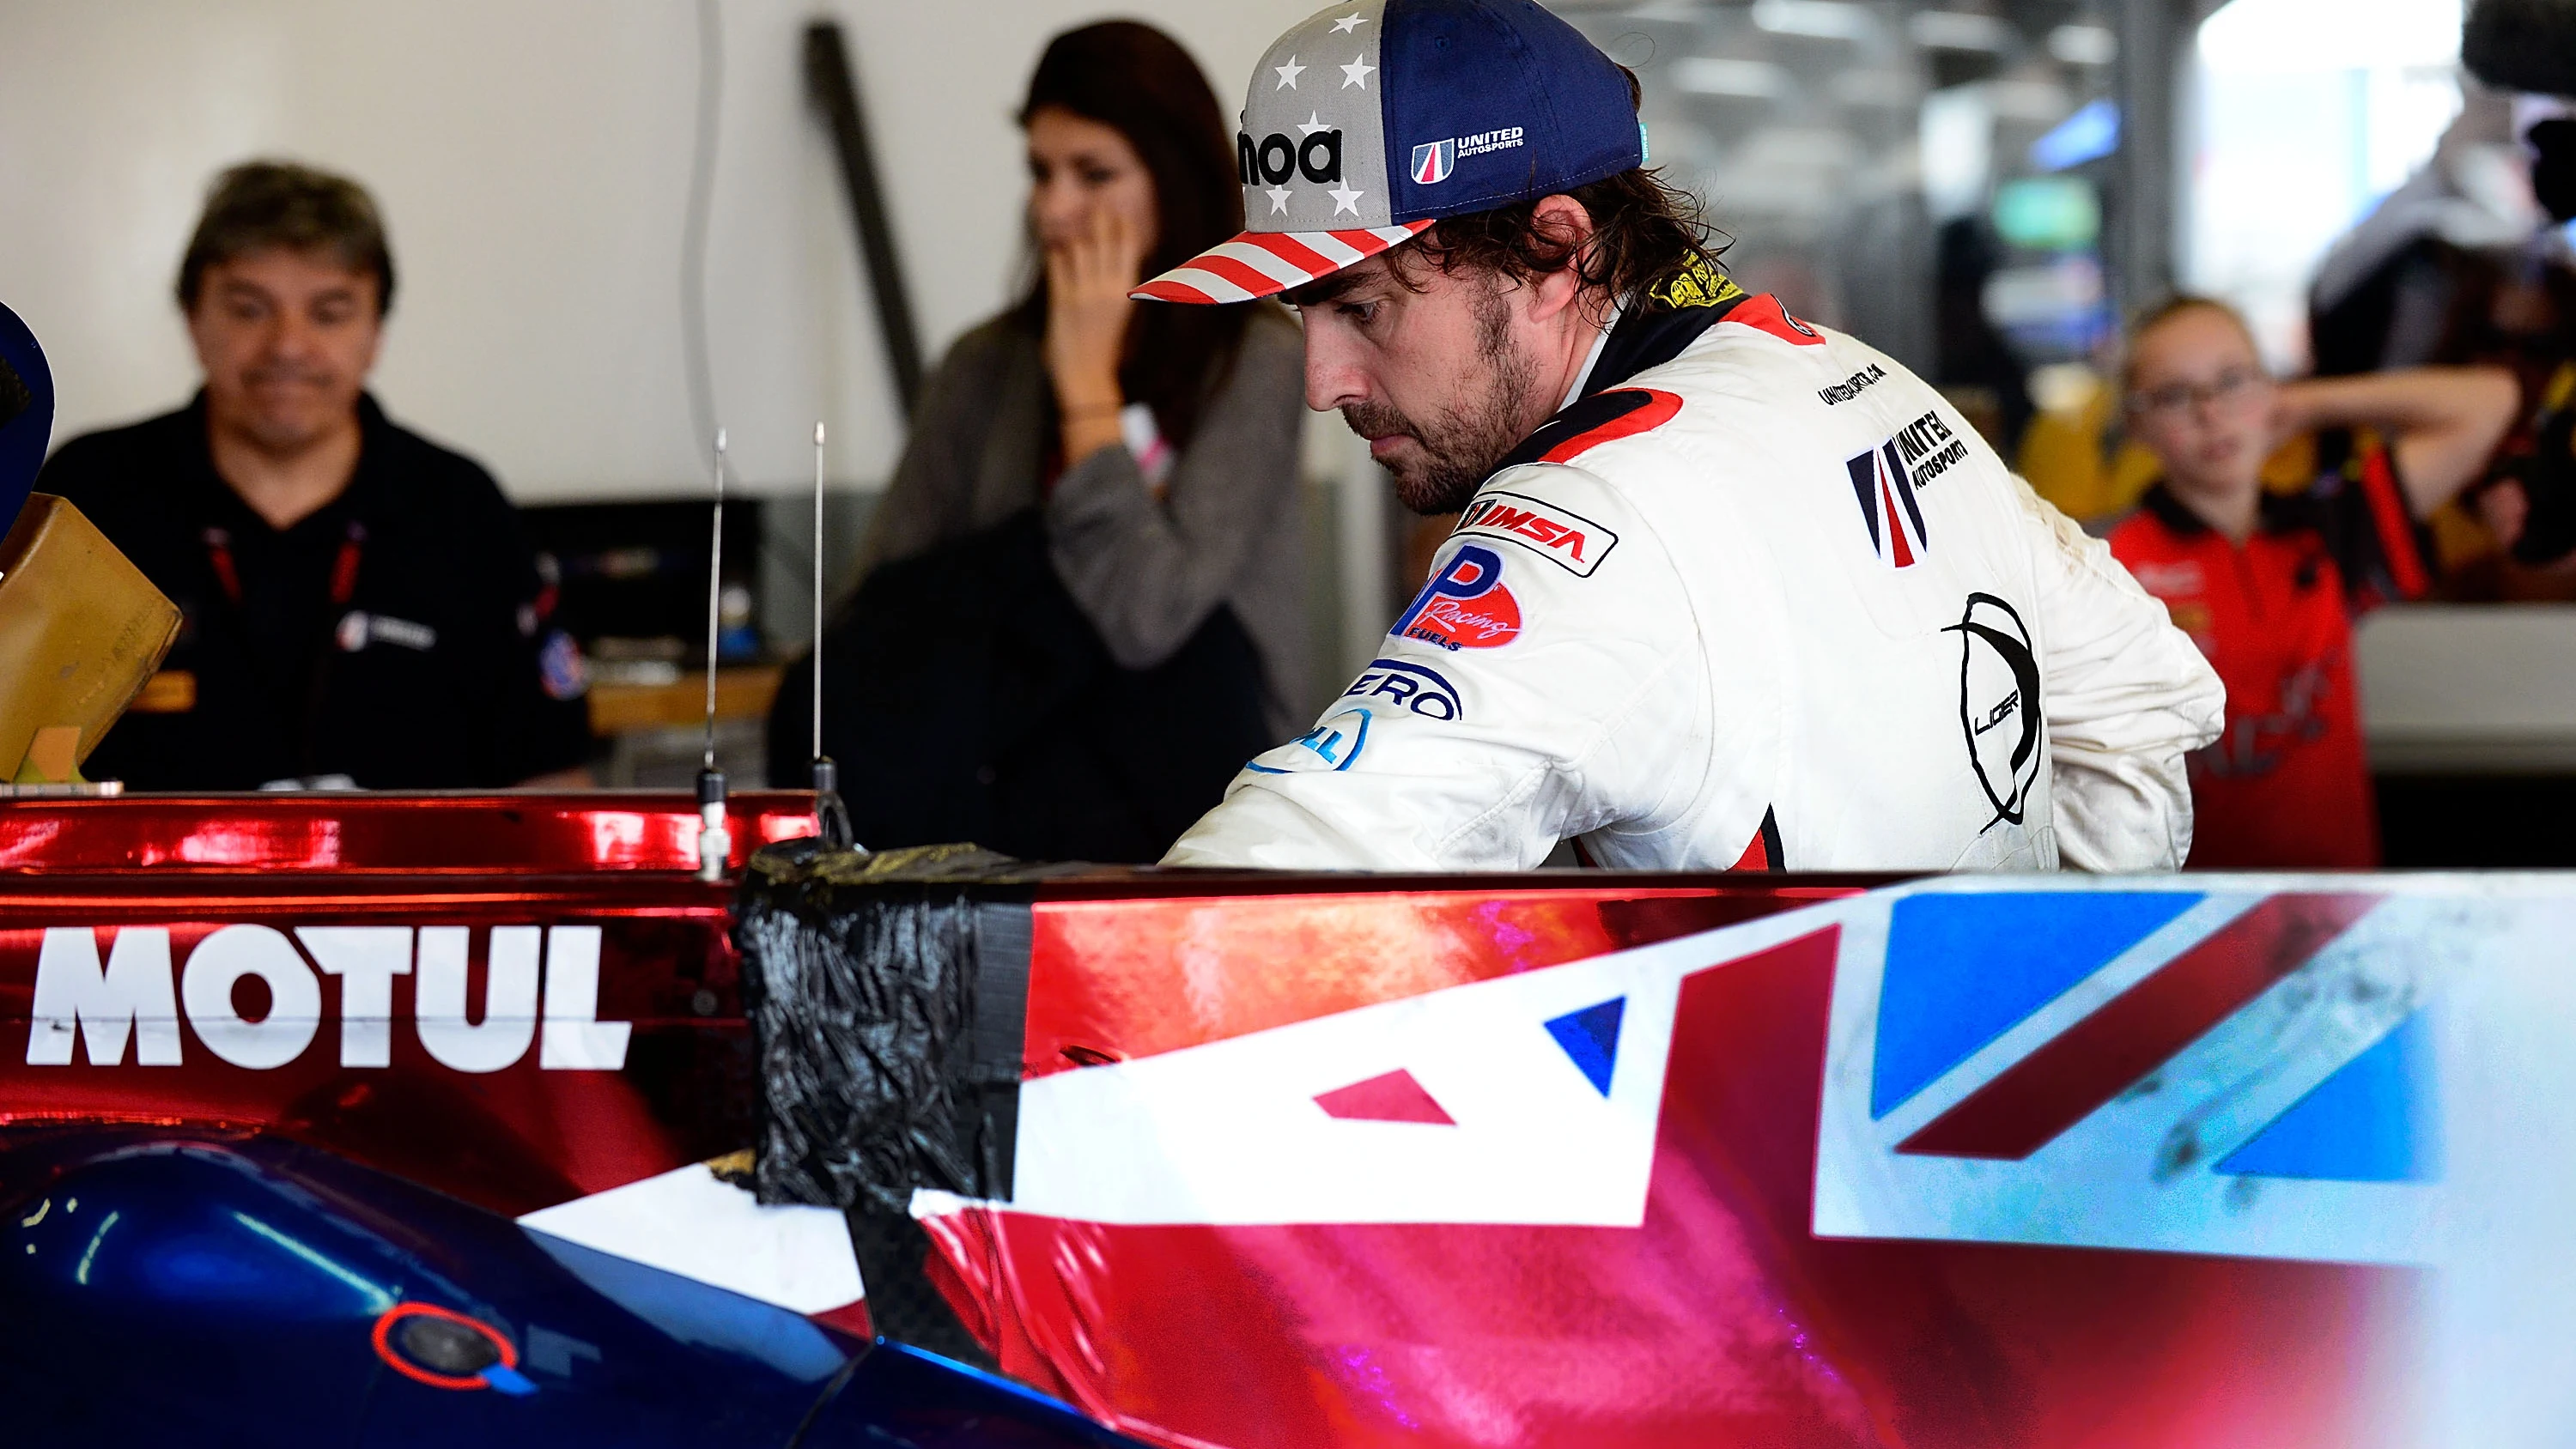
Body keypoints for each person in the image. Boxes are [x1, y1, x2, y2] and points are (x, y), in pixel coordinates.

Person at [1148, 0, 2223, 873]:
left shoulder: (1586, 511)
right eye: (1305, 315)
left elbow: (1278, 880)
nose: (1323, 385)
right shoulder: (1862, 378)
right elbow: (2148, 700)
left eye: (1364, 307)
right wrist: (2036, 1010)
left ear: (1553, 247)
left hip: (1774, 1133)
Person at [769, 21, 1306, 862]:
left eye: (1093, 174)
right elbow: (883, 616)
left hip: (1200, 814)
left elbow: (1149, 618)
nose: (1055, 208)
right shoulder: (985, 366)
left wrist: (1086, 388)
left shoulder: (1255, 357)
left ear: (1176, 177)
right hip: (998, 810)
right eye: (1040, 171)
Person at [38, 161, 592, 791]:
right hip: (145, 888)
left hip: (414, 892)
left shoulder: (462, 507)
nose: (288, 346)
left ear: (376, 332)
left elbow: (552, 780)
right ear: (193, 319)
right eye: (250, 310)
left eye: (329, 313)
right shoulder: (89, 496)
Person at [2105, 297, 2521, 868]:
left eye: (2232, 381)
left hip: (2339, 910)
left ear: (2268, 386)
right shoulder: (2107, 568)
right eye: (2175, 395)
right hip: (2187, 919)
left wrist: (2305, 403)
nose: (2211, 414)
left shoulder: (2327, 531)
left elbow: (2490, 401)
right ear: (2136, 423)